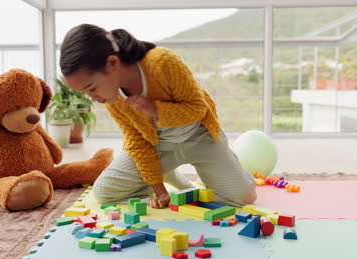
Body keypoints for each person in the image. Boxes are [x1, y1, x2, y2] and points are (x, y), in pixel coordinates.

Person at [60, 24, 256, 209]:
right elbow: (136, 141)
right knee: (104, 192)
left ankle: (223, 168)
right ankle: (167, 173)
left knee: (244, 197)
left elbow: (198, 108)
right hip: (159, 147)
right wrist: (158, 189)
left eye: (91, 88)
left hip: (200, 138)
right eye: (86, 93)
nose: (93, 99)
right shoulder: (112, 98)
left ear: (113, 63)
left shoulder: (163, 62)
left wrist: (155, 110)